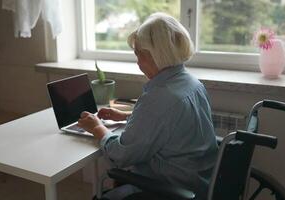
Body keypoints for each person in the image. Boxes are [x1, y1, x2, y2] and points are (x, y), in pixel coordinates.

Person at [78, 12, 218, 200]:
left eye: (139, 54)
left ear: (156, 55)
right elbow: (171, 125)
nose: (137, 62)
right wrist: (126, 117)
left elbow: (121, 156)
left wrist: (97, 128)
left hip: (168, 190)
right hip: (198, 182)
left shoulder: (160, 96)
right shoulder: (193, 84)